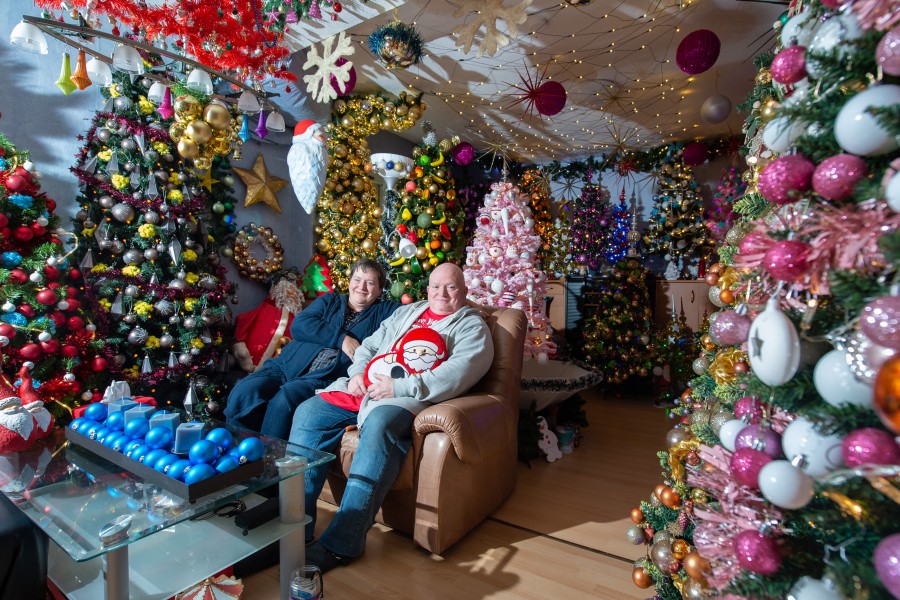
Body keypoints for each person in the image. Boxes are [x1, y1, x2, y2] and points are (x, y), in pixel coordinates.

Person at [290, 263, 494, 573]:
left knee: (379, 425)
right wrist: (357, 372)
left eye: (451, 287)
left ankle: (343, 542)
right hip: (366, 387)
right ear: (426, 289)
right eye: (435, 286)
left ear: (464, 292)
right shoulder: (407, 313)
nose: (441, 293)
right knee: (308, 412)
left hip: (407, 397)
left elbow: (458, 373)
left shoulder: (471, 327)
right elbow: (370, 344)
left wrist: (399, 386)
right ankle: (295, 528)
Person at [224, 259, 399, 440]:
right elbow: (300, 325)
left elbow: (418, 311)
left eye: (370, 283)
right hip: (285, 366)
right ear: (349, 282)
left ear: (379, 291)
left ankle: (270, 461)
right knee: (245, 391)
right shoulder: (330, 301)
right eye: (357, 279)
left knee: (284, 400)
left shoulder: (384, 312)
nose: (361, 287)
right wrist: (342, 339)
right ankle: (237, 452)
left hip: (323, 377)